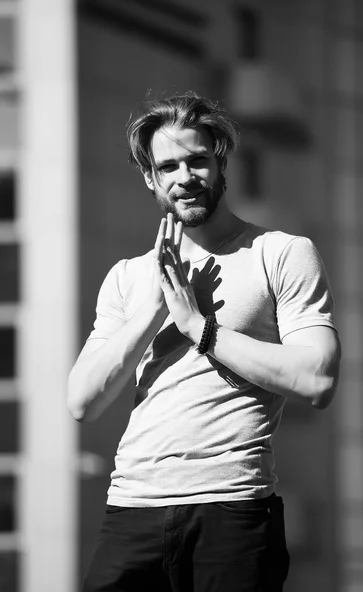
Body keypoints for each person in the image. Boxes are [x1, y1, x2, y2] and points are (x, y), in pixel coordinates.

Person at [68, 92, 341, 592]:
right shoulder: (128, 277)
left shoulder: (281, 254)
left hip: (234, 510)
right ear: (150, 178)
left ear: (221, 161)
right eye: (167, 166)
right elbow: (82, 400)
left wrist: (201, 328)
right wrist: (152, 312)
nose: (184, 177)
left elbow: (317, 379)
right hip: (132, 511)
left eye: (197, 160)